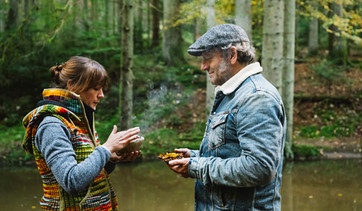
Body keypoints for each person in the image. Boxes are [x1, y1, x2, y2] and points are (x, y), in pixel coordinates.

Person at [168, 24, 286, 210]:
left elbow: (260, 167)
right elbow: (230, 152)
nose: (203, 66)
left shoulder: (256, 97)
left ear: (232, 55)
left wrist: (197, 167)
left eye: (207, 58)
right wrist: (195, 157)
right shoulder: (233, 93)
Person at [22, 56, 141, 210]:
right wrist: (106, 149)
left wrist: (111, 159)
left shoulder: (79, 119)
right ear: (72, 86)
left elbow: (90, 174)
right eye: (96, 88)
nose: (101, 95)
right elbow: (71, 180)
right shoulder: (52, 125)